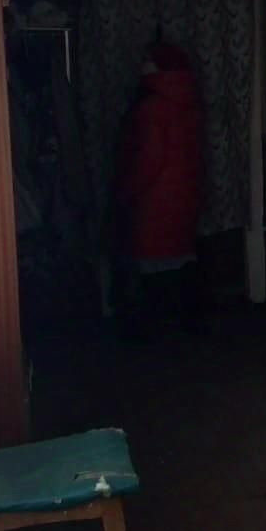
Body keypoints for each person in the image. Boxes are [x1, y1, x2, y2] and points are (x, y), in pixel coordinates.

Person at [111, 41, 204, 333]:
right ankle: (182, 322)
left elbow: (148, 160)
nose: (142, 65)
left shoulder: (151, 107)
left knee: (152, 264)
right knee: (177, 261)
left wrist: (126, 191)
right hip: (184, 194)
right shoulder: (189, 102)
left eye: (147, 60)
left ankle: (154, 326)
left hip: (155, 199)